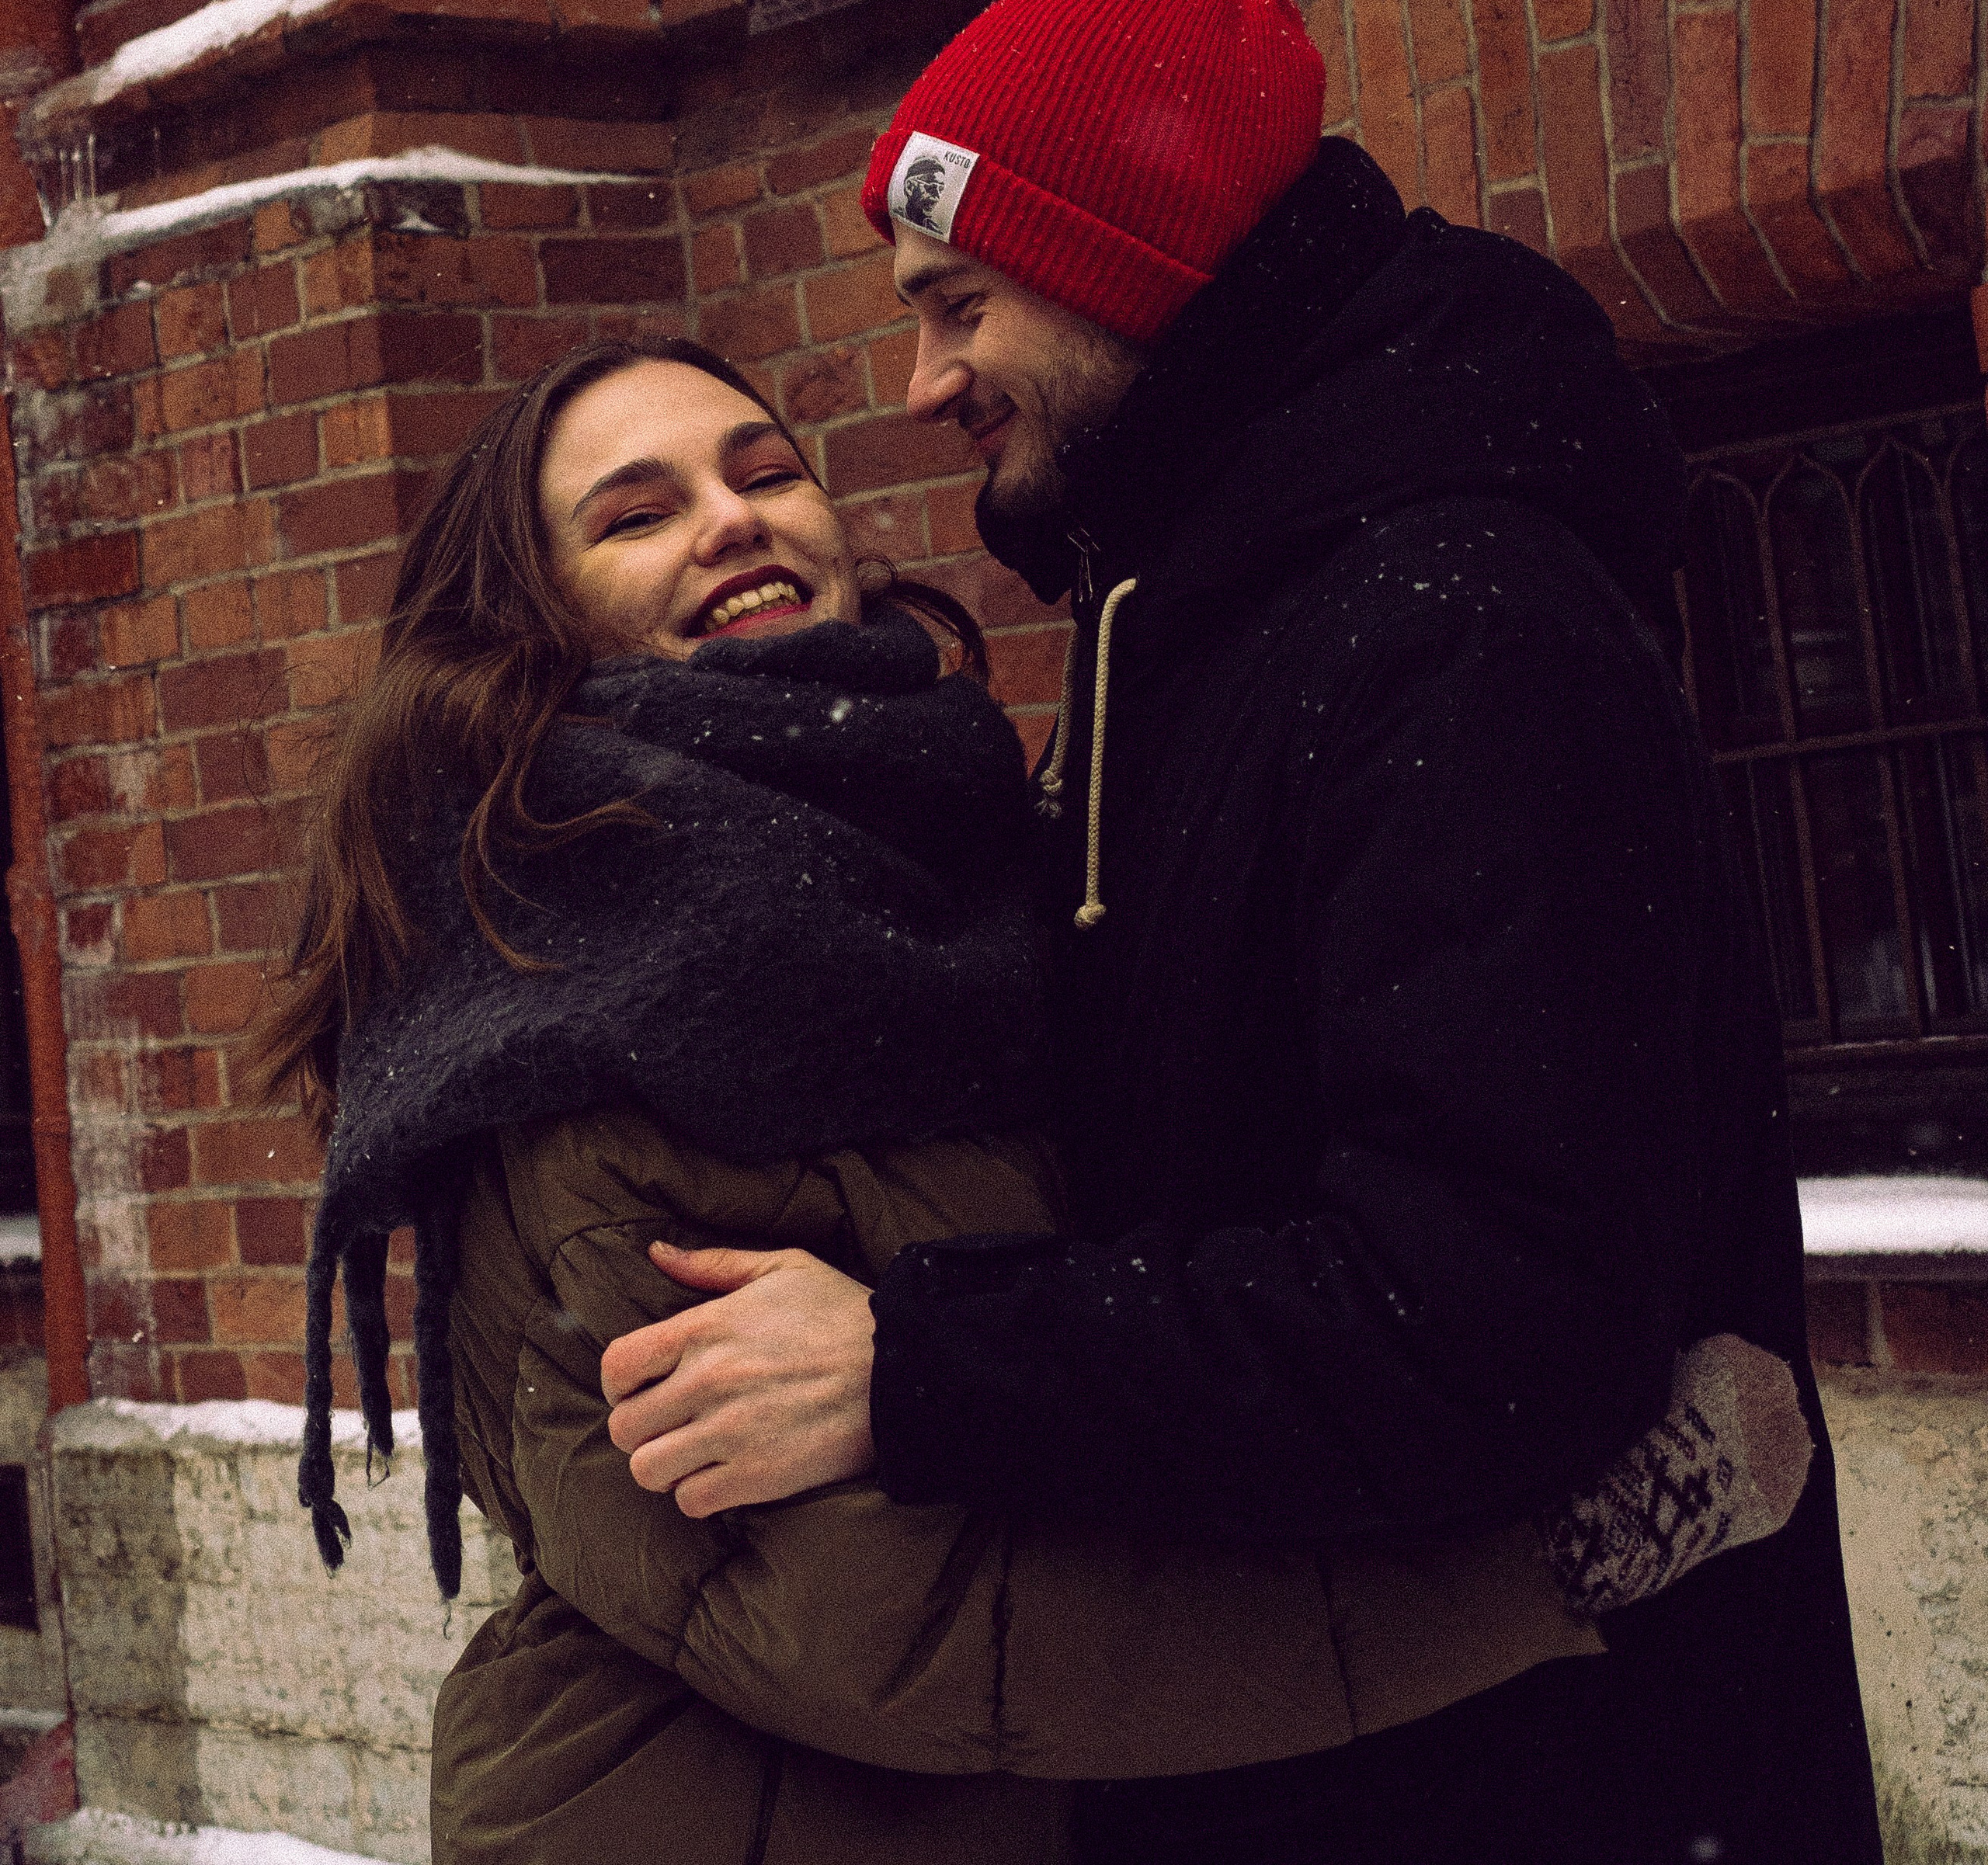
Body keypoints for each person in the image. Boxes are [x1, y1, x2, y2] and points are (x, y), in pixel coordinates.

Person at [598, 0, 1882, 1865]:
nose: (923, 382)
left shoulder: (1449, 630)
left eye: (957, 305)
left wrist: (917, 1366)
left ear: (1128, 258)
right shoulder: (1187, 620)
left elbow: (1490, 1315)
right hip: (1306, 1766)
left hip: (1544, 1789)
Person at [258, 334, 1810, 1865]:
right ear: (529, 622)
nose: (732, 518)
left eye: (763, 469)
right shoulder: (588, 975)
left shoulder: (967, 845)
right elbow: (876, 1619)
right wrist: (1546, 1562)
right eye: (634, 513)